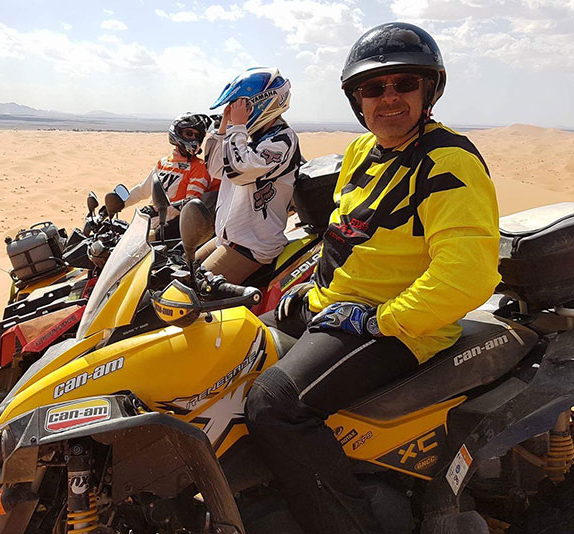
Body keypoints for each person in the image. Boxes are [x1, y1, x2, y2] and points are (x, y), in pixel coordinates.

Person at [245, 23, 501, 533]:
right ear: (356, 99)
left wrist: (379, 320)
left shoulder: (447, 162)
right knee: (227, 349)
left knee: (275, 406)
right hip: (339, 311)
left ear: (429, 90)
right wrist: (312, 293)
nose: (389, 98)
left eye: (404, 83)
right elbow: (347, 239)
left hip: (403, 327)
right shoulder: (363, 151)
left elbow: (467, 274)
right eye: (373, 87)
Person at [197, 67, 301, 284]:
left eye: (241, 105)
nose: (236, 111)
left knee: (192, 290)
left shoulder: (283, 140)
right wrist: (225, 125)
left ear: (262, 103)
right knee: (181, 266)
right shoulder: (250, 139)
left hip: (252, 244)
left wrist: (238, 127)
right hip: (230, 237)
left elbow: (239, 171)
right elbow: (216, 168)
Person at [121, 113, 218, 238]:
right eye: (189, 133)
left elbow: (189, 206)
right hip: (148, 222)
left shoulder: (199, 167)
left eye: (197, 136)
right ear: (177, 133)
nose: (194, 139)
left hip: (168, 229)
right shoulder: (163, 163)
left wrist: (157, 214)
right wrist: (119, 204)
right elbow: (142, 190)